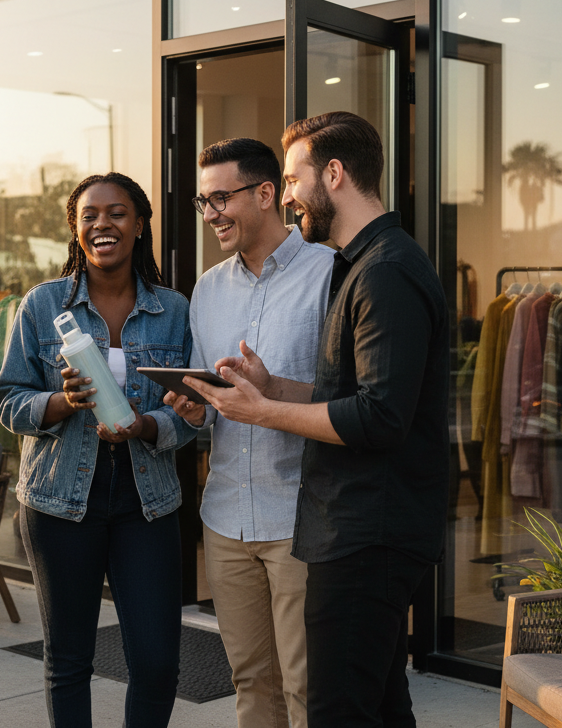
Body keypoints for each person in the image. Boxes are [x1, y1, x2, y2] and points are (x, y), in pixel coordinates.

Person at [190, 112, 450, 728]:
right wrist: (269, 386)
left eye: (291, 178)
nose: (287, 194)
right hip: (334, 527)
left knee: (332, 708)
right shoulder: (365, 262)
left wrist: (264, 408)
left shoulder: (378, 270)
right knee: (377, 707)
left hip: (358, 532)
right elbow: (350, 392)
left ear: (333, 174)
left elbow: (380, 416)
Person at [0, 172, 196, 728]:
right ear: (75, 230)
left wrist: (147, 427)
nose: (101, 224)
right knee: (68, 662)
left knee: (157, 664)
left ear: (139, 224)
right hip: (60, 502)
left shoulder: (174, 310)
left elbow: (192, 413)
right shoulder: (41, 306)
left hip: (147, 501)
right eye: (89, 215)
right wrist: (61, 403)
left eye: (116, 213)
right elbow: (9, 402)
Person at [165, 138, 333, 728]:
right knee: (250, 680)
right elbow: (211, 402)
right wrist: (195, 410)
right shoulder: (207, 289)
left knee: (308, 685)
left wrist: (271, 391)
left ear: (267, 194)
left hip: (301, 517)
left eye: (220, 198)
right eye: (202, 201)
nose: (210, 214)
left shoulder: (331, 275)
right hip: (226, 515)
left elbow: (349, 401)